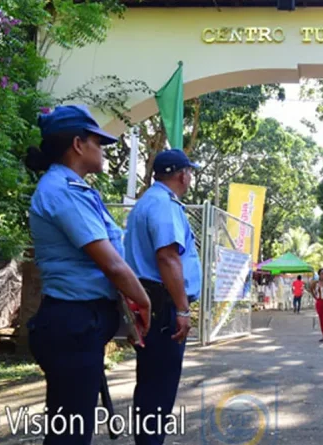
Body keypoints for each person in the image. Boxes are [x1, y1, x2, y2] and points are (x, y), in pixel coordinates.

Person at [24, 105, 152, 445]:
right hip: (72, 324)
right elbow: (111, 264)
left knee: (72, 430)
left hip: (79, 326)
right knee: (70, 435)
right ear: (78, 145)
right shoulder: (62, 191)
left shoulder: (74, 188)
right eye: (98, 141)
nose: (103, 149)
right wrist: (143, 303)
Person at [123, 150, 202, 445]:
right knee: (159, 387)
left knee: (151, 383)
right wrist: (182, 309)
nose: (190, 177)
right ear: (182, 174)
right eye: (189, 172)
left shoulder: (148, 202)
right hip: (163, 305)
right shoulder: (163, 205)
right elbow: (168, 257)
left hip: (151, 301)